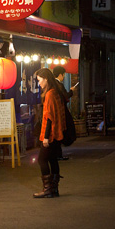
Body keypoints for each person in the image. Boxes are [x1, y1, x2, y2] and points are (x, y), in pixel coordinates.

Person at [33, 68, 66, 198]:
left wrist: (46, 137)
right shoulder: (55, 92)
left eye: (40, 80)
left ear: (46, 79)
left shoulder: (50, 94)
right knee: (52, 159)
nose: (39, 83)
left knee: (42, 159)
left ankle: (47, 189)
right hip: (57, 133)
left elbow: (49, 117)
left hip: (51, 134)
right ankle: (54, 189)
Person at [52, 66, 77, 160]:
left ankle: (58, 153)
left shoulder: (52, 84)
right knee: (63, 129)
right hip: (61, 111)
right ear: (60, 75)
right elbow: (65, 96)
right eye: (64, 75)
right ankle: (58, 154)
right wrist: (71, 91)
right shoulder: (58, 84)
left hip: (58, 111)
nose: (64, 77)